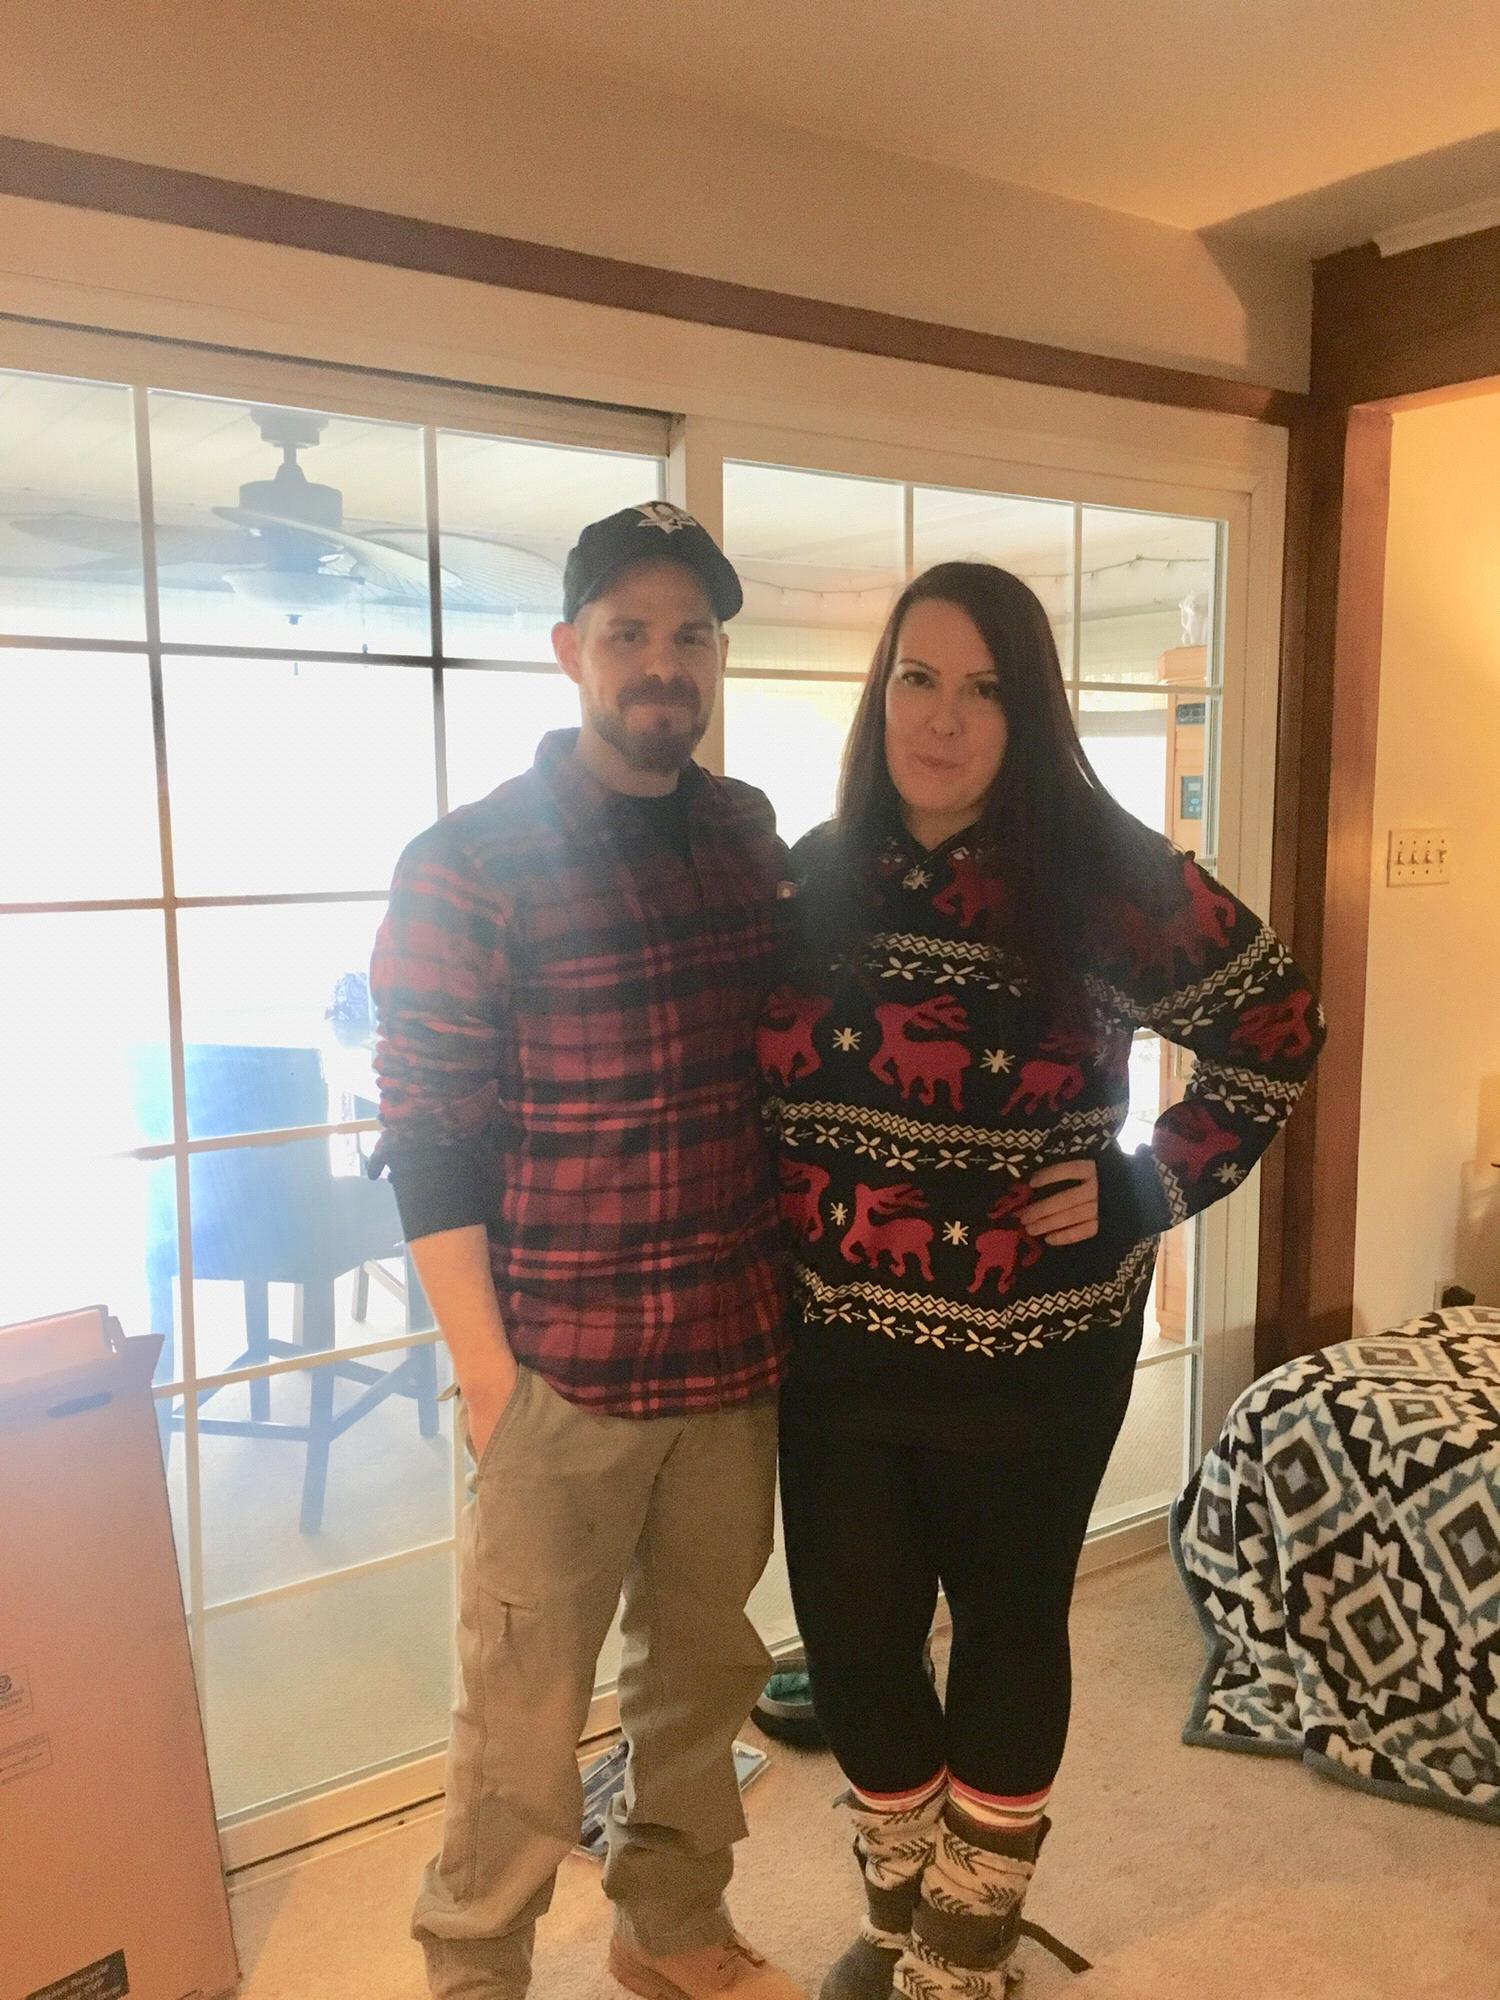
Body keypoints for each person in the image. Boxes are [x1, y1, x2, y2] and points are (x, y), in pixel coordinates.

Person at [761, 562, 1324, 2000]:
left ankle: (962, 1953)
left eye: (985, 689)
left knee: (1008, 1632)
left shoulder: (1108, 879)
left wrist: (1149, 1181)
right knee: (855, 1650)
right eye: (917, 680)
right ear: (880, 695)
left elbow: (1277, 1022)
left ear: (1033, 711)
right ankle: (906, 1914)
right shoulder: (811, 876)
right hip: (835, 1349)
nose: (943, 719)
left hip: (1037, 1351)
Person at [371, 502, 801, 2000]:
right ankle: (474, 1968)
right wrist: (489, 1379)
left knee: (704, 1678)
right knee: (519, 1716)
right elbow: (429, 1131)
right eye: (629, 634)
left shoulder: (747, 836)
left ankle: (668, 1924)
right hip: (562, 1368)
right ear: (571, 651)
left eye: (692, 636)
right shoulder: (467, 863)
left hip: (733, 1356)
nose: (662, 664)